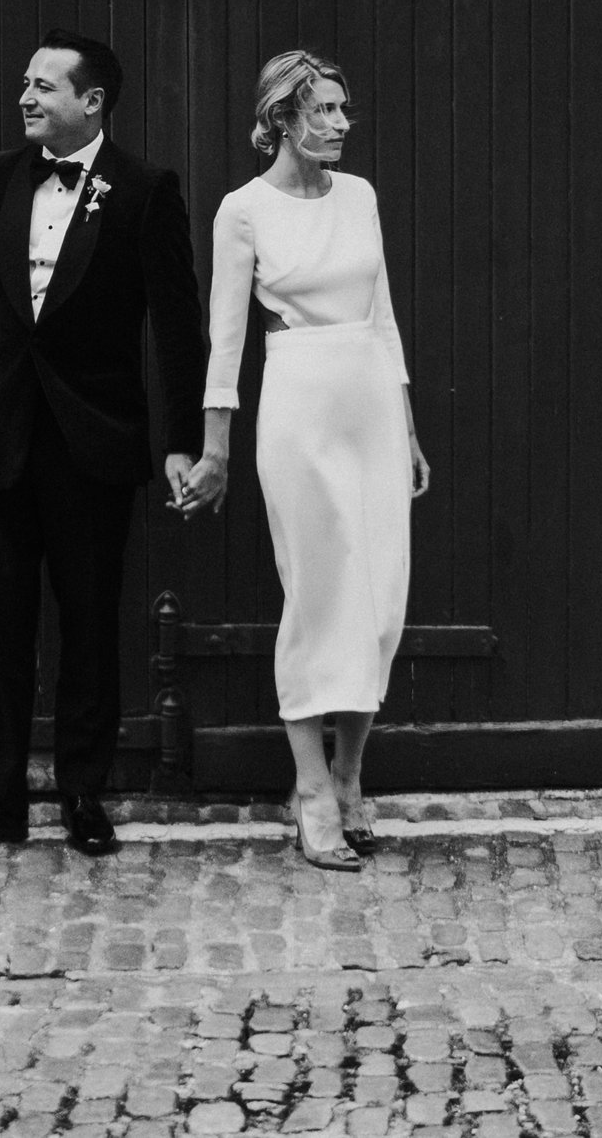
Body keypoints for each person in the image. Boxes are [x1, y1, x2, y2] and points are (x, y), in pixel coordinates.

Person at [0, 31, 206, 858]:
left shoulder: (146, 190)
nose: (26, 97)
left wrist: (181, 441)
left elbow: (179, 331)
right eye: (24, 84)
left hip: (94, 446)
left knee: (88, 624)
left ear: (93, 102)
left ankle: (84, 790)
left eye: (45, 86)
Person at [175, 50, 430, 871]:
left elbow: (384, 315)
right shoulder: (242, 211)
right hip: (299, 406)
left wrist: (409, 424)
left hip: (371, 407)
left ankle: (353, 771)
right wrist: (214, 445)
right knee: (320, 596)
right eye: (324, 110)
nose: (342, 124)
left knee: (381, 603)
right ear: (282, 118)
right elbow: (225, 341)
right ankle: (312, 787)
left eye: (345, 109)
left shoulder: (360, 197)